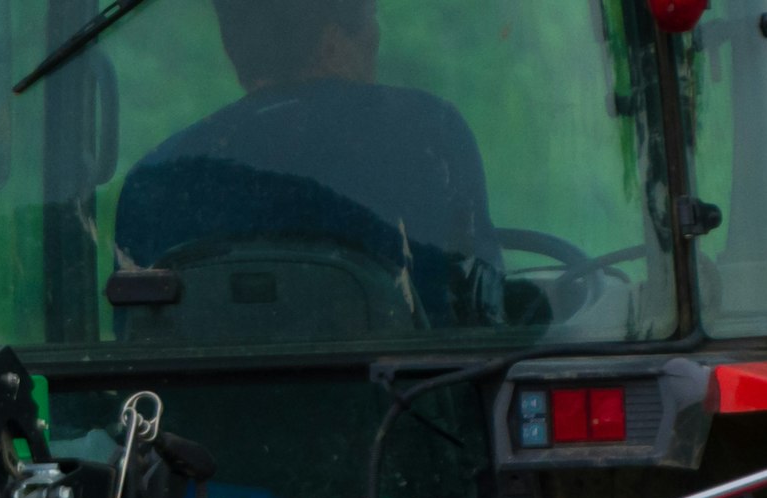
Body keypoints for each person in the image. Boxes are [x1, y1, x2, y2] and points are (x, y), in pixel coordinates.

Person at [110, 0, 499, 324]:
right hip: (409, 412)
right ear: (331, 43)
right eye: (371, 21)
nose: (375, 39)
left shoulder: (155, 178)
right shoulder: (428, 133)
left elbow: (133, 344)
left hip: (197, 417)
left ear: (233, 50)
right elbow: (481, 311)